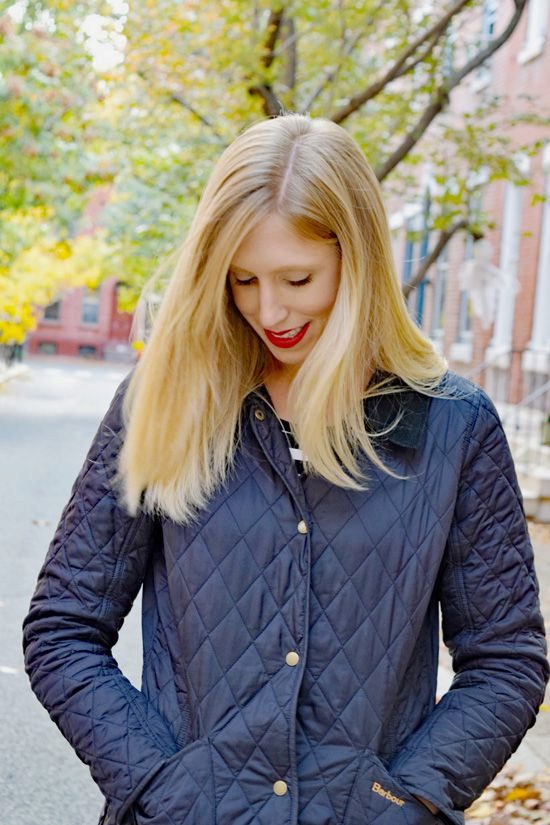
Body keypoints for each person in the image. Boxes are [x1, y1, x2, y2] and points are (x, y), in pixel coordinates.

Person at [23, 113, 548, 825]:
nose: (269, 310)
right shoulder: (164, 401)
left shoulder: (454, 426)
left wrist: (407, 802)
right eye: (243, 279)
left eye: (297, 278)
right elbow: (63, 628)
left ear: (358, 260)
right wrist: (159, 785)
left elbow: (506, 659)